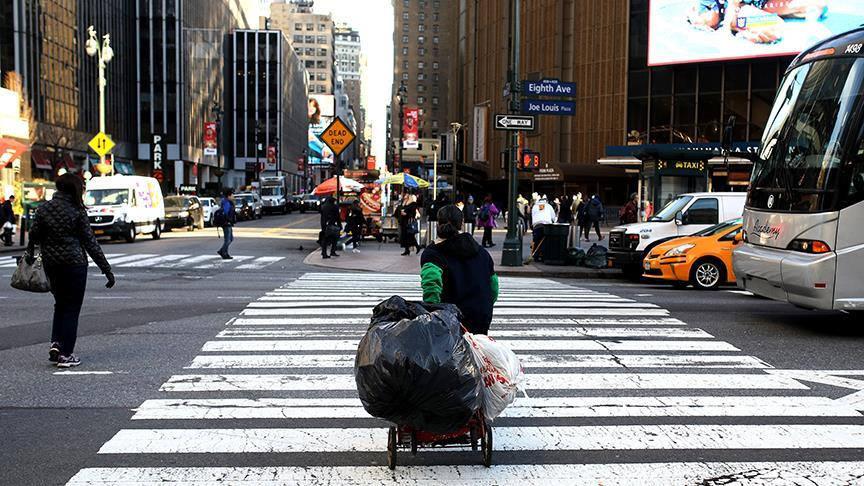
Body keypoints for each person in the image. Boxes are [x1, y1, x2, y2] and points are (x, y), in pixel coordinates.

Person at [26, 174, 115, 368]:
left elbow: (34, 235)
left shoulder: (44, 208)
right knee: (72, 309)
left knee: (60, 305)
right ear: (74, 188)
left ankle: (56, 343)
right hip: (74, 264)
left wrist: (34, 253)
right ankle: (66, 354)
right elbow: (90, 243)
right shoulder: (76, 210)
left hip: (51, 264)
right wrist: (106, 269)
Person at [421, 205, 499, 335]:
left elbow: (431, 284)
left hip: (449, 320)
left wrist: (432, 313)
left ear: (437, 224)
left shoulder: (433, 253)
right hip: (481, 317)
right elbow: (494, 286)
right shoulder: (481, 252)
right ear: (462, 224)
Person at [531, 196, 556, 262]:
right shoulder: (549, 206)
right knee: (546, 241)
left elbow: (532, 216)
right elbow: (553, 217)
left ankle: (536, 256)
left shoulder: (534, 206)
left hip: (537, 225)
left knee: (536, 241)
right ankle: (544, 256)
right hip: (546, 225)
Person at [217, 189, 237, 259]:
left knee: (230, 239)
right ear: (229, 196)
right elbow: (226, 213)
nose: (233, 196)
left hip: (228, 222)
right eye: (232, 195)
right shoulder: (226, 202)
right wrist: (228, 220)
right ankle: (223, 252)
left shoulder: (227, 201)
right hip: (226, 223)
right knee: (228, 239)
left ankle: (223, 251)